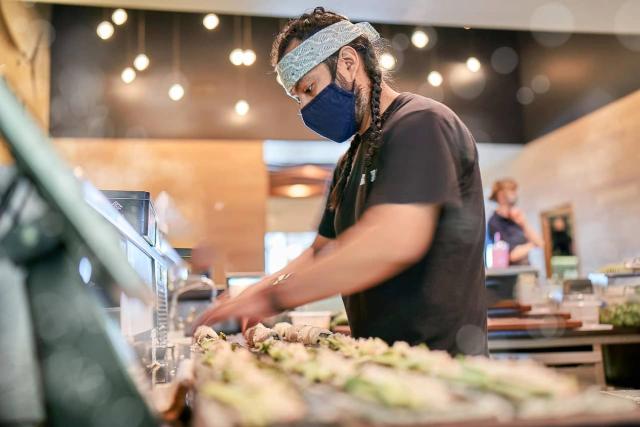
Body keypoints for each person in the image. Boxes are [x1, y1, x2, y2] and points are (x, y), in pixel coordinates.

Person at [194, 8, 487, 356]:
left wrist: (273, 298)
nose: (305, 107)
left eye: (309, 88)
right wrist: (255, 293)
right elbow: (321, 252)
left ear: (348, 62)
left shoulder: (421, 124)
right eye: (297, 97)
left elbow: (394, 241)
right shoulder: (349, 161)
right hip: (381, 361)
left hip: (443, 366)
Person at [488, 178, 544, 265]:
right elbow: (511, 255)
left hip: (527, 271)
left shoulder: (517, 218)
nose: (515, 194)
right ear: (501, 195)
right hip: (510, 274)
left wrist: (524, 222)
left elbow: (540, 243)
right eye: (512, 191)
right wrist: (532, 244)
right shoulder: (494, 222)